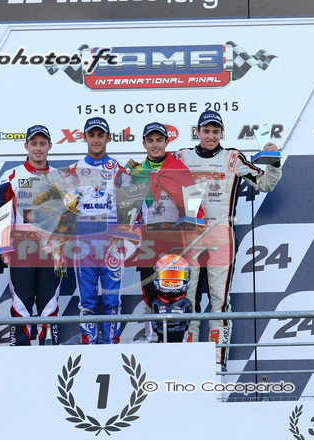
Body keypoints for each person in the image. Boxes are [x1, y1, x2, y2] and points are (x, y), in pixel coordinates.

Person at [176, 111, 282, 370]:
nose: (211, 136)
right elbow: (154, 170)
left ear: (222, 133)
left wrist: (274, 163)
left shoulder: (233, 158)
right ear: (197, 132)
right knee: (186, 300)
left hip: (221, 234)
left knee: (219, 301)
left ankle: (217, 362)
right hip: (190, 235)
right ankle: (187, 362)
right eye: (206, 131)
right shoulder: (182, 156)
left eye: (215, 131)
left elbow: (265, 184)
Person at [128, 122, 203, 341]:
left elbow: (193, 202)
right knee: (149, 289)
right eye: (150, 141)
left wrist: (191, 219)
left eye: (159, 140)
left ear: (167, 142)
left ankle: (179, 338)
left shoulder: (179, 169)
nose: (155, 145)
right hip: (148, 238)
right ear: (144, 143)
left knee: (176, 291)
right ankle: (152, 338)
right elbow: (128, 208)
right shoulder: (136, 172)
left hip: (174, 236)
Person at [0, 125, 65, 346]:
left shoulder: (61, 177)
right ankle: (20, 353)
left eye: (42, 144)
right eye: (34, 144)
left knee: (49, 305)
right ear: (26, 146)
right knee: (21, 304)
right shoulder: (11, 176)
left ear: (50, 146)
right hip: (21, 248)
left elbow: (68, 215)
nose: (38, 148)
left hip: (50, 248)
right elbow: (1, 213)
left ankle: (49, 351)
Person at [66, 117, 131, 344]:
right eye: (91, 135)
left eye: (100, 135)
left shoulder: (120, 170)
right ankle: (90, 345)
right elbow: (62, 210)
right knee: (87, 299)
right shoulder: (73, 170)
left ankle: (110, 344)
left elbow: (131, 208)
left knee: (112, 299)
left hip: (111, 239)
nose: (96, 140)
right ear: (84, 137)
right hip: (84, 240)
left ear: (108, 138)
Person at [151, 254, 193, 343]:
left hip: (180, 334)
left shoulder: (185, 302)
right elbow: (154, 322)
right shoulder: (157, 302)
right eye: (166, 275)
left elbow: (188, 322)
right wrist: (157, 329)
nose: (171, 281)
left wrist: (182, 328)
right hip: (161, 335)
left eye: (177, 276)